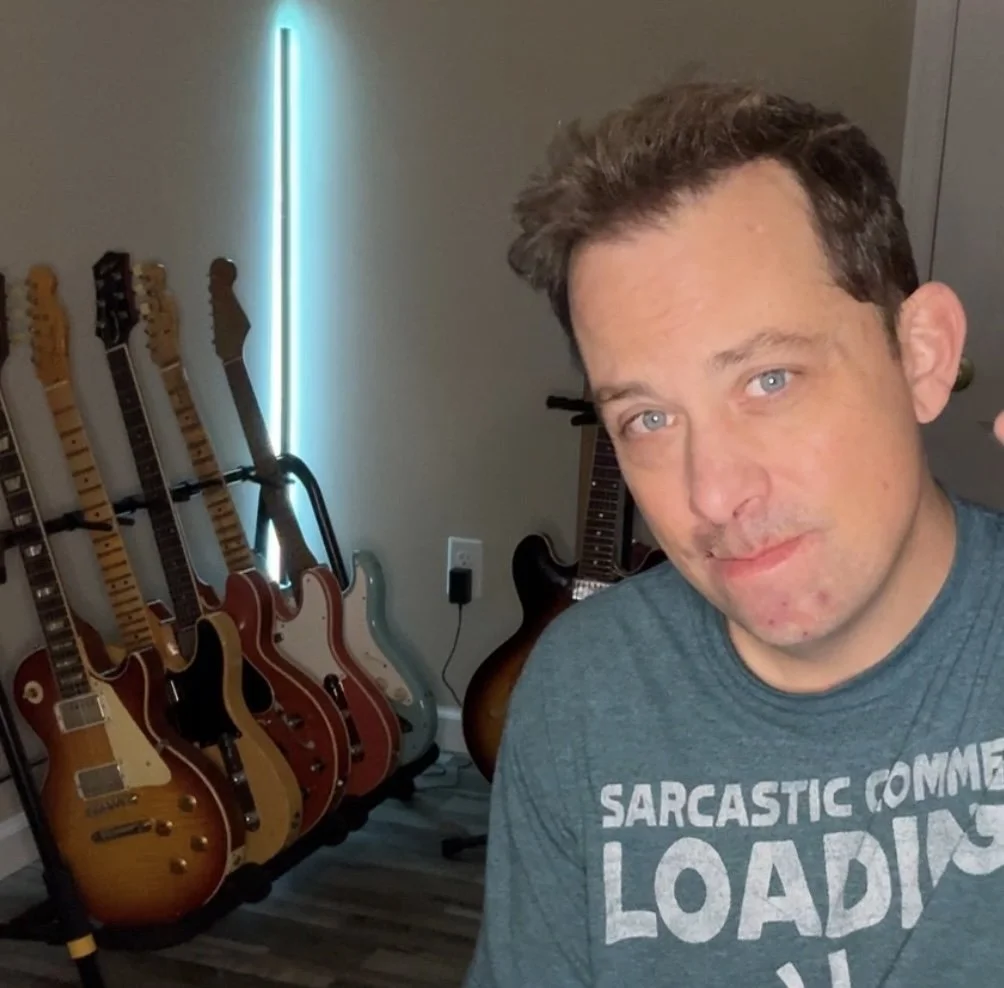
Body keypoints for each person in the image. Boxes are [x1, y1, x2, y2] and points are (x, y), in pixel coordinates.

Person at [464, 80, 1004, 987]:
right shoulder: (583, 693)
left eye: (769, 381)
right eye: (647, 419)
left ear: (921, 355)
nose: (710, 494)